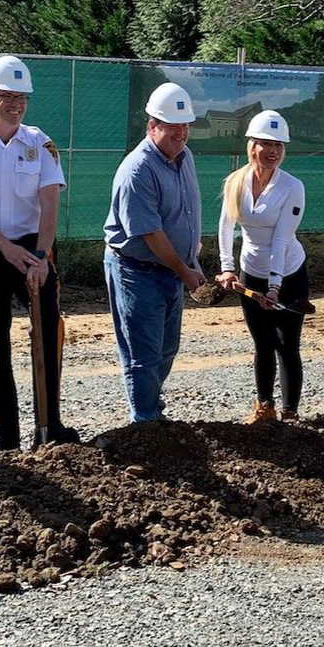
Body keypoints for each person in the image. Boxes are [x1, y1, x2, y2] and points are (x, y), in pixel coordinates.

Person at [0, 55, 80, 451]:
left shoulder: (40, 144)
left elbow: (50, 202)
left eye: (21, 97)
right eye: (6, 96)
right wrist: (5, 249)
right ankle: (5, 435)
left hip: (33, 251)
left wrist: (40, 256)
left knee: (48, 333)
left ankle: (49, 425)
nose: (15, 104)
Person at [104, 81, 204, 423]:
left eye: (185, 125)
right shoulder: (138, 169)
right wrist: (185, 271)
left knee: (165, 349)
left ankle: (151, 413)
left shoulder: (183, 157)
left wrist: (192, 261)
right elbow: (150, 234)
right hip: (138, 270)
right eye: (172, 126)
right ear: (152, 126)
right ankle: (145, 423)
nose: (180, 133)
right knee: (143, 355)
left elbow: (186, 214)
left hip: (172, 269)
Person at [217, 110, 308, 423]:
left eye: (279, 146)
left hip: (288, 274)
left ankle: (290, 413)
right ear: (251, 146)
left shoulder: (292, 187)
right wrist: (228, 268)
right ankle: (264, 407)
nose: (272, 152)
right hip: (250, 271)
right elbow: (226, 226)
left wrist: (274, 286)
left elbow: (282, 239)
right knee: (262, 343)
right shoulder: (235, 182)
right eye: (266, 144)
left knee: (286, 344)